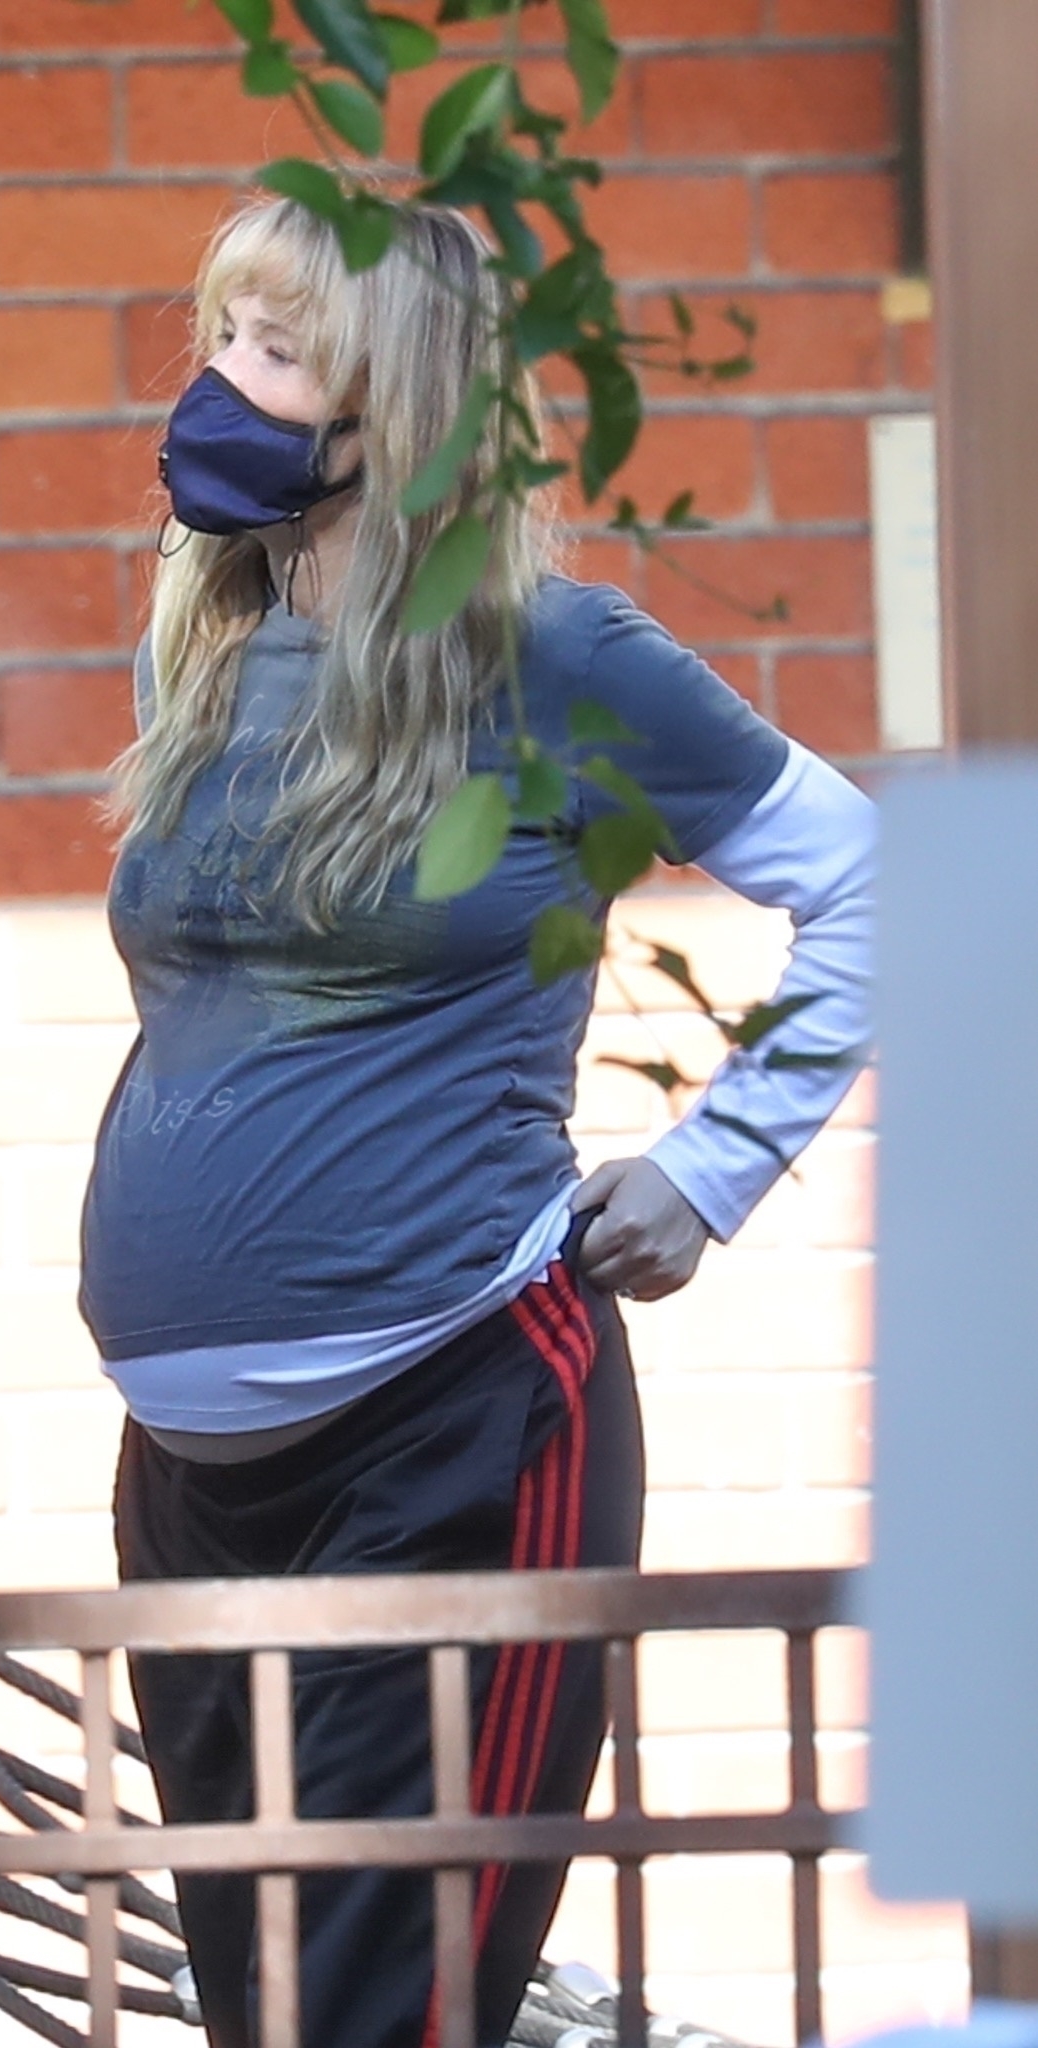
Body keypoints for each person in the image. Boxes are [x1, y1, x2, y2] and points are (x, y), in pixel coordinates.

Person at [78, 198, 874, 2048]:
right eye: (220, 338)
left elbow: (871, 884)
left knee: (385, 2023)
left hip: (454, 1424)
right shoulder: (208, 656)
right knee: (266, 2022)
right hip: (191, 1477)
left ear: (406, 413)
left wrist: (712, 1167)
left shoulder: (554, 660)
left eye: (279, 354)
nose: (220, 385)